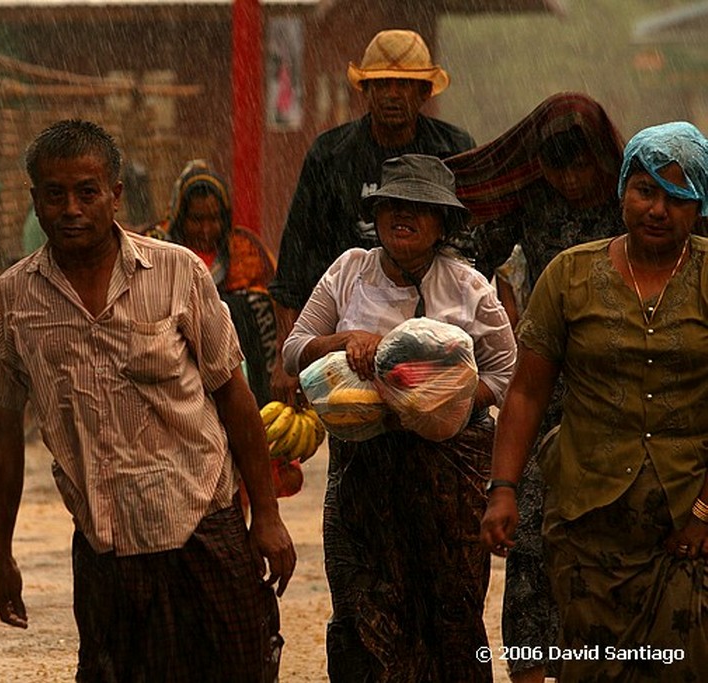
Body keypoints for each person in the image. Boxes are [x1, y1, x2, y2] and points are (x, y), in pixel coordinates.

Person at [0, 119, 296, 682]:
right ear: (35, 202)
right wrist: (1, 555)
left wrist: (266, 514)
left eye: (87, 192)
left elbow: (234, 396)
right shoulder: (9, 302)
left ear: (116, 195)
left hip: (205, 529)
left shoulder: (177, 273)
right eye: (55, 194)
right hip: (106, 549)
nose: (71, 208)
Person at [481, 121, 708, 682]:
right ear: (623, 192)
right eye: (646, 190)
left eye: (678, 196)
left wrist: (704, 511)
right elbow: (528, 392)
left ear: (700, 205)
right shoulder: (570, 274)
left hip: (687, 531)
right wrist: (503, 489)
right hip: (587, 525)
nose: (658, 209)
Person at [283, 154, 516, 681]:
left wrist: (445, 404)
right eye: (393, 204)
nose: (402, 215)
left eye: (419, 207)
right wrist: (345, 341)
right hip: (363, 477)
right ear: (377, 213)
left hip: (448, 479)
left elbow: (506, 374)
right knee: (364, 613)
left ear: (442, 225)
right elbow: (293, 352)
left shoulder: (469, 287)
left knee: (451, 615)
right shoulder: (349, 271)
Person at [445, 91, 625, 682]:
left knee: (609, 539)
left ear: (602, 160)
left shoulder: (634, 200)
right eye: (558, 168)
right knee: (529, 540)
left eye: (581, 167)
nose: (571, 181)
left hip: (620, 385)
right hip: (545, 381)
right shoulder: (532, 199)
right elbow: (468, 257)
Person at [269, 28, 476, 403]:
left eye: (403, 84)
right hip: (349, 340)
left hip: (435, 330)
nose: (392, 94)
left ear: (425, 92)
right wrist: (286, 355)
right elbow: (296, 259)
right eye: (381, 84)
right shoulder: (331, 155)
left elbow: (476, 247)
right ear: (366, 91)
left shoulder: (453, 150)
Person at [147, 160, 278, 407]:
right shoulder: (158, 249)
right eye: (196, 220)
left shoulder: (245, 249)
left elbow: (266, 305)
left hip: (237, 369)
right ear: (179, 217)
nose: (206, 229)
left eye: (214, 219)